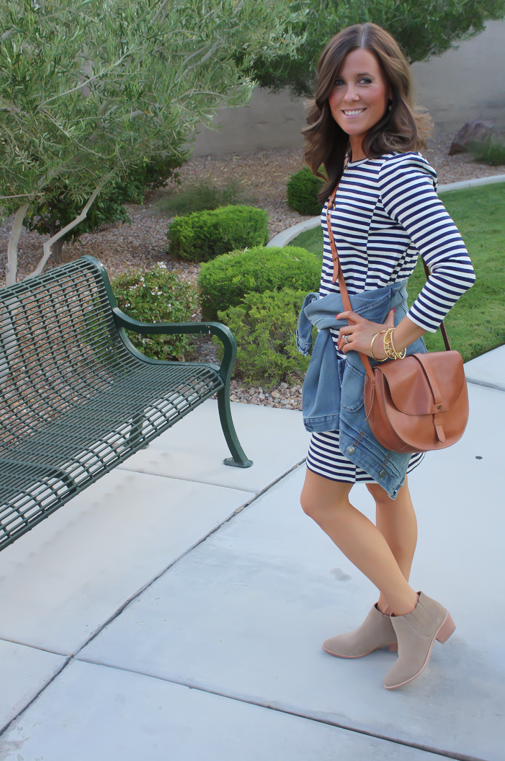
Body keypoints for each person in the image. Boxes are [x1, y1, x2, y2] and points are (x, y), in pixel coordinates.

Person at [298, 22, 476, 690]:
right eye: (340, 81)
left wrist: (387, 339)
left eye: (364, 80)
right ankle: (385, 615)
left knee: (320, 498)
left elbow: (455, 267)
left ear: (389, 88)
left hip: (363, 368)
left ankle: (412, 611)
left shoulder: (393, 172)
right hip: (356, 358)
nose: (349, 93)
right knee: (385, 486)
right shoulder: (362, 163)